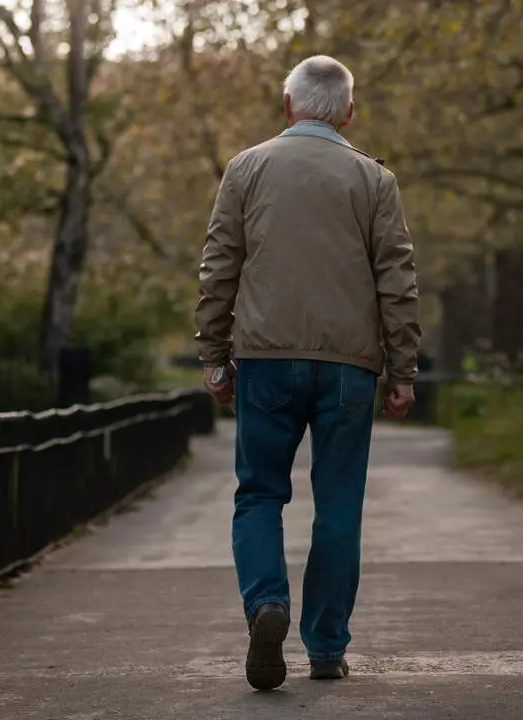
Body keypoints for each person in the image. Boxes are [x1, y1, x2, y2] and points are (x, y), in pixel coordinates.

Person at [194, 54, 421, 691]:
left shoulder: (246, 168)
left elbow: (219, 269)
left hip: (265, 361)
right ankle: (326, 648)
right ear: (348, 112)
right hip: (349, 368)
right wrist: (402, 368)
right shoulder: (375, 181)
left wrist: (215, 357)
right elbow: (396, 281)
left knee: (260, 493)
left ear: (287, 105)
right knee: (339, 505)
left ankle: (267, 605)